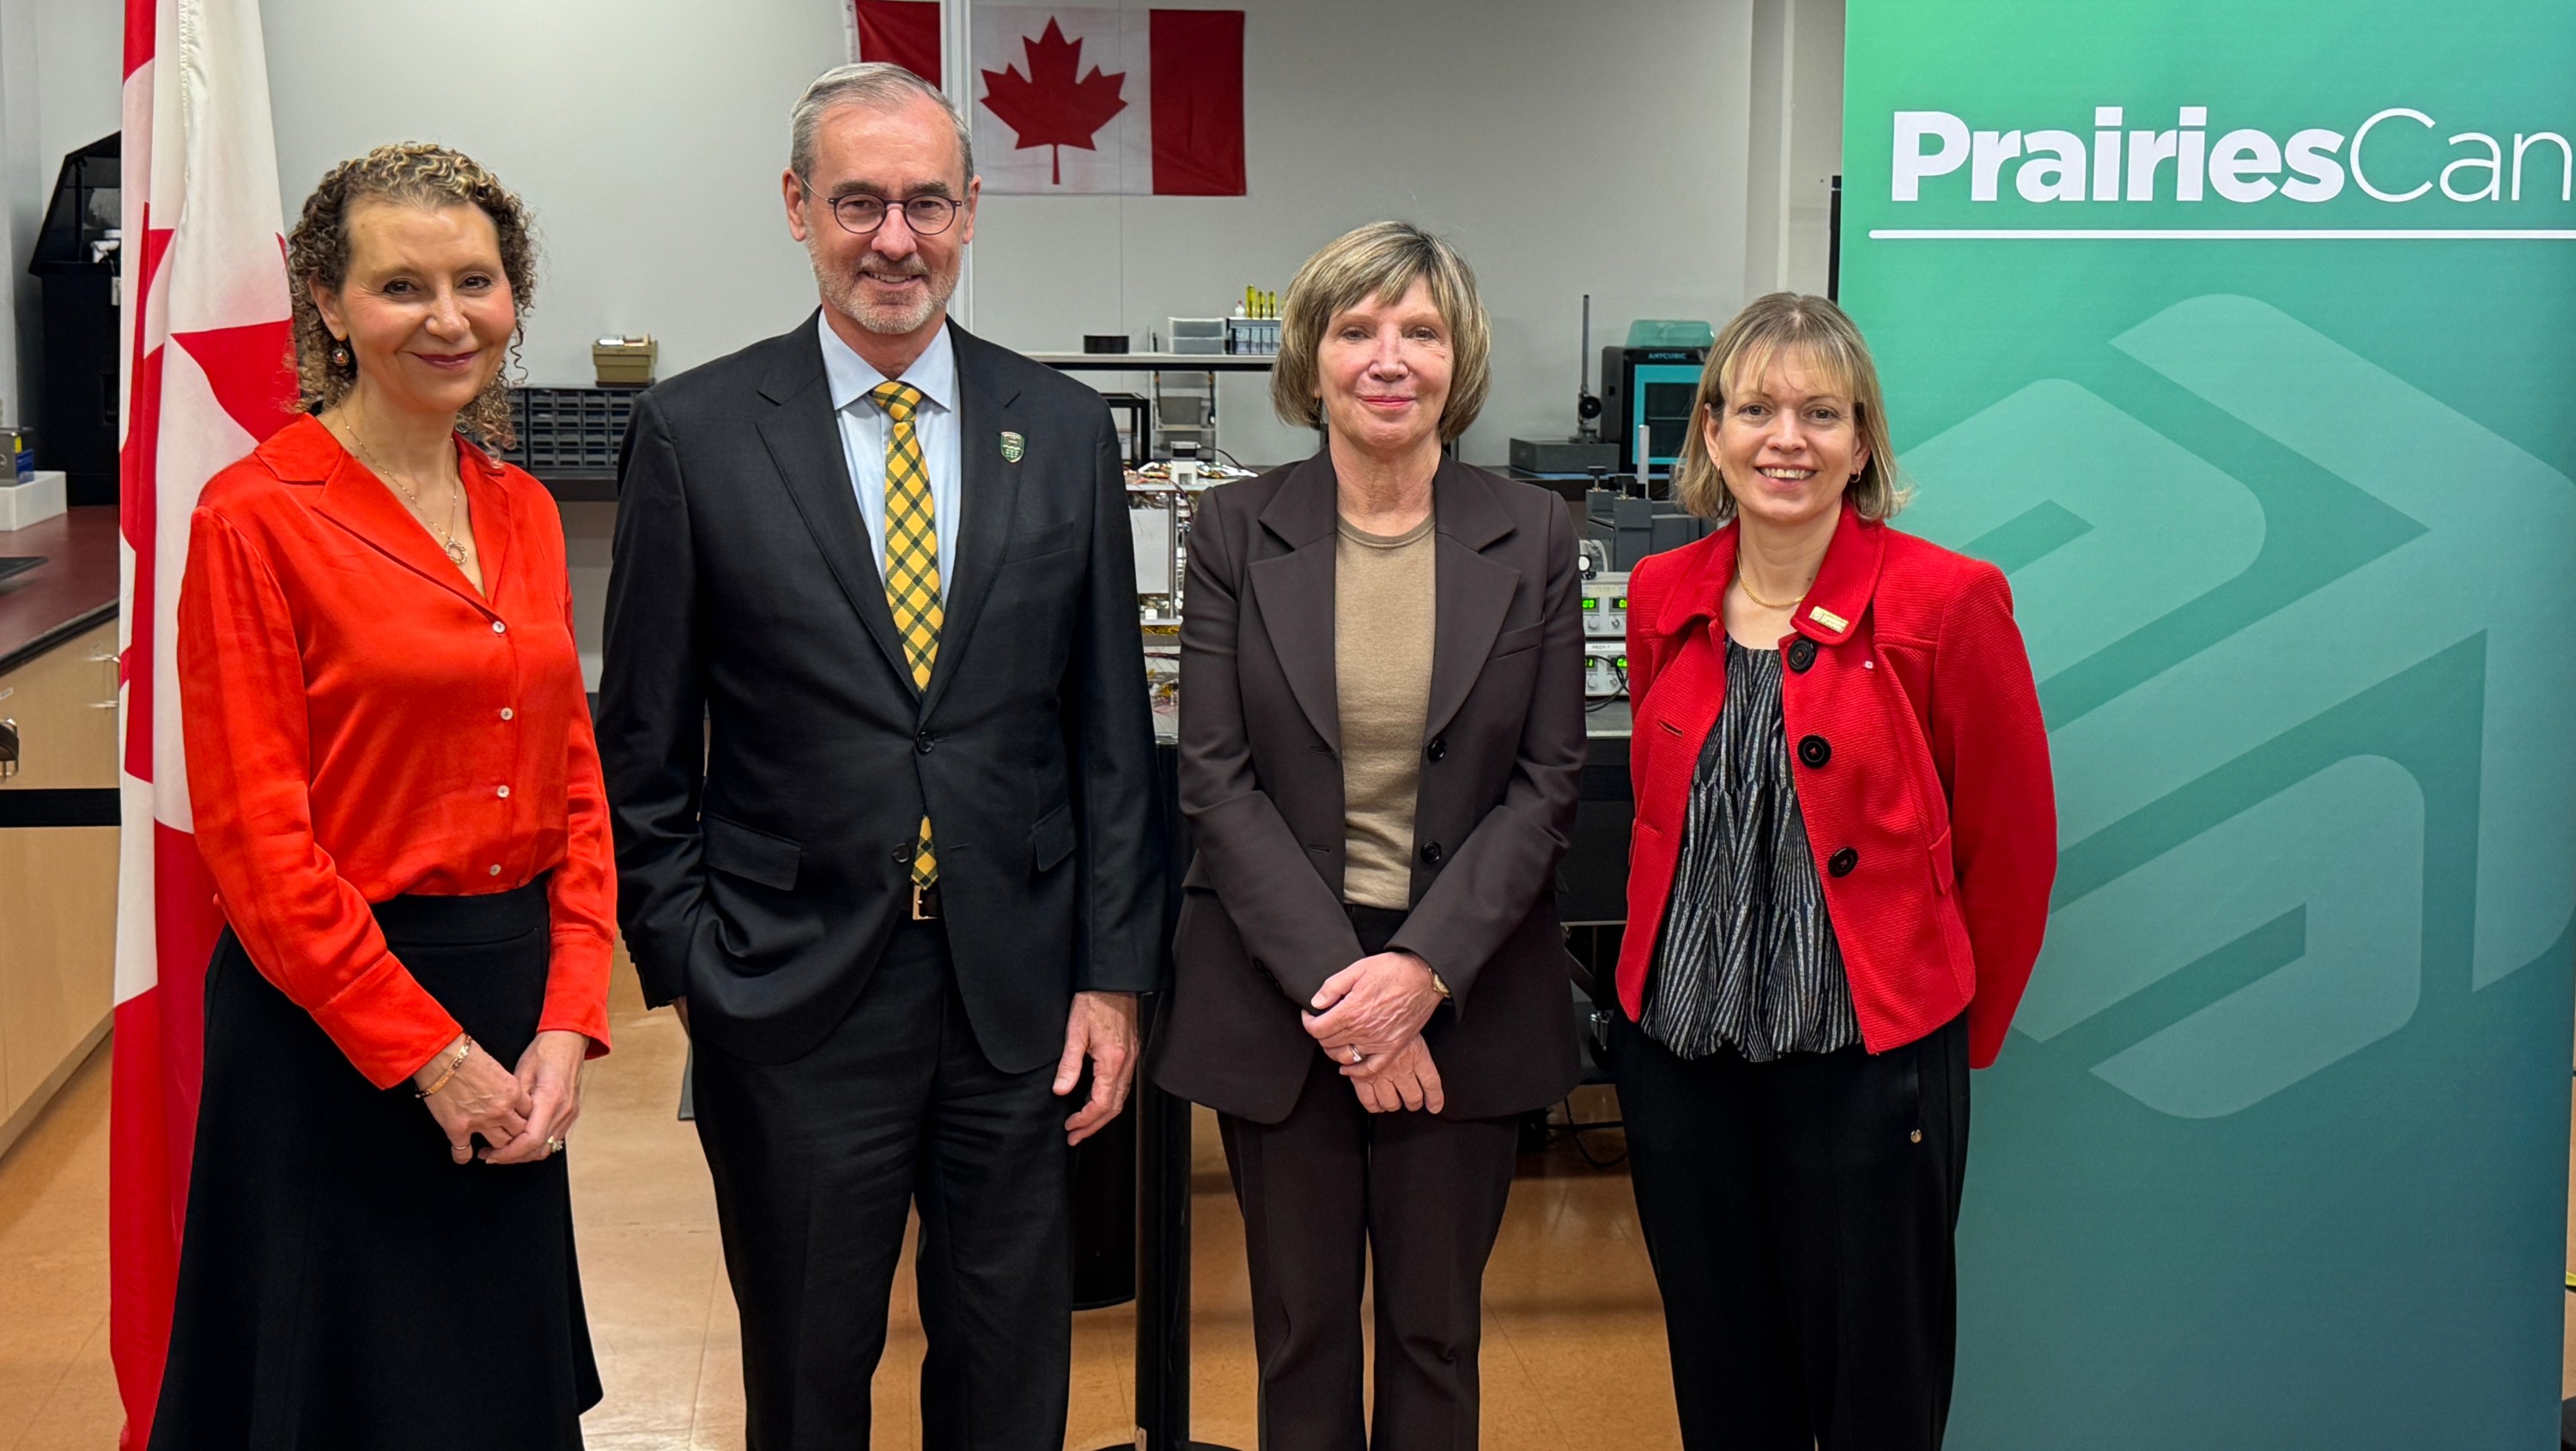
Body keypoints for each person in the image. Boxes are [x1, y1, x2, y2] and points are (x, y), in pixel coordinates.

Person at [597, 62, 1162, 1451]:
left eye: (924, 202)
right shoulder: (698, 435)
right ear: (798, 208)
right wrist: (693, 965)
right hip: (788, 996)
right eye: (858, 200)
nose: (893, 238)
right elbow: (643, 749)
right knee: (806, 1370)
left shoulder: (1068, 431)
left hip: (1015, 997)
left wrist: (1111, 976)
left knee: (1009, 1367)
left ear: (971, 213)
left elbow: (1107, 740)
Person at [155, 144, 610, 1449]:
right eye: (402, 284)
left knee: (493, 1399)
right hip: (332, 1032)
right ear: (329, 307)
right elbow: (257, 842)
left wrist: (570, 1018)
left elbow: (575, 783)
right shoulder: (253, 517)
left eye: (478, 280)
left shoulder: (519, 508)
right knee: (340, 1399)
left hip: (512, 1015)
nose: (449, 317)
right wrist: (432, 1059)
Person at [1147, 221, 1586, 1450]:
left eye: (1421, 331)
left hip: (1467, 993)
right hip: (1288, 997)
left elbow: (1546, 784)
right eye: (1358, 329)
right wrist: (1350, 997)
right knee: (1300, 1330)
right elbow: (1219, 782)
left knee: (1437, 1335)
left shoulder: (1533, 535)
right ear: (1314, 357)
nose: (1389, 357)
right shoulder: (1237, 532)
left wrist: (1420, 975)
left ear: (1461, 357)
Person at [1611, 292, 2057, 1450]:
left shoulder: (1946, 601)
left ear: (1863, 440)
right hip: (1685, 1060)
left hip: (1870, 1069)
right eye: (1754, 407)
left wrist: (1944, 1045)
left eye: (1820, 411)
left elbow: (2013, 849)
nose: (1785, 438)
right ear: (1708, 431)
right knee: (1723, 1383)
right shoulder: (1664, 595)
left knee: (1877, 1394)